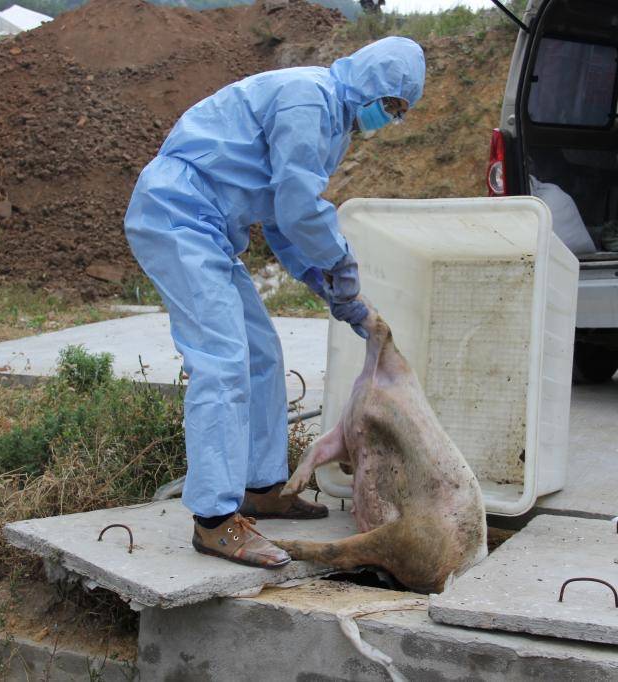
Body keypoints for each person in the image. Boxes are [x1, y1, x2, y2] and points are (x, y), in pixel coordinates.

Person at [124, 37, 426, 569]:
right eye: (393, 105)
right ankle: (215, 522)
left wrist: (332, 291)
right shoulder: (309, 98)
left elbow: (285, 225)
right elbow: (298, 205)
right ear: (374, 83)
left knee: (261, 353)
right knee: (222, 363)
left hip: (209, 228)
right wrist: (342, 266)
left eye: (400, 113)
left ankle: (262, 488)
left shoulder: (332, 125)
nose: (391, 119)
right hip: (177, 214)